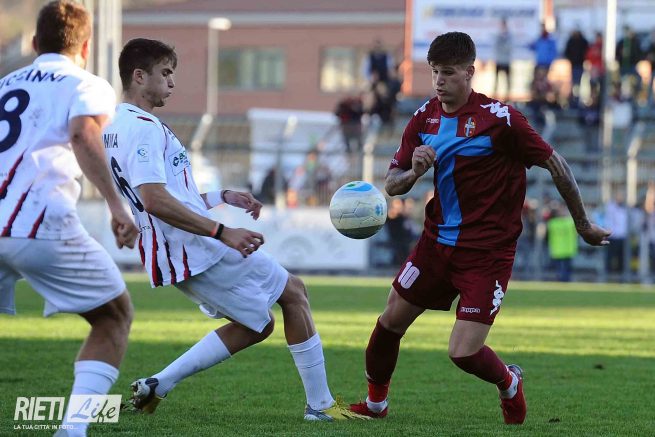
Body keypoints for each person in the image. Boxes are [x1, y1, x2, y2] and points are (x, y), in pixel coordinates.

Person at [348, 32, 610, 424]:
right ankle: (375, 405)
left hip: (487, 254)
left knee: (463, 352)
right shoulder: (424, 118)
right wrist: (415, 172)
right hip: (435, 246)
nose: (439, 81)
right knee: (389, 323)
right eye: (435, 72)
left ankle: (509, 382)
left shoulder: (500, 120)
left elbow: (557, 164)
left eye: (448, 72)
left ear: (470, 72)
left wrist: (583, 224)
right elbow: (392, 184)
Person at [104, 38, 368, 421]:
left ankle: (158, 384)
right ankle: (321, 406)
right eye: (165, 73)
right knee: (294, 292)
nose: (172, 82)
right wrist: (222, 232)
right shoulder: (144, 128)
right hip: (193, 247)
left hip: (175, 249)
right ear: (139, 76)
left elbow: (171, 195)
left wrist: (221, 196)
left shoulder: (117, 125)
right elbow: (154, 199)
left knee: (258, 324)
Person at [0, 2, 138, 436]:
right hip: (37, 222)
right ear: (86, 46)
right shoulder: (87, 84)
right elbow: (83, 133)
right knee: (113, 316)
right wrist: (117, 206)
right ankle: (72, 430)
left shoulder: (4, 85)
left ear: (34, 43)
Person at [563, 29, 589, 107]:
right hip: (572, 66)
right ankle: (573, 101)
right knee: (573, 84)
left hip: (580, 65)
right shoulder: (571, 41)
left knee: (578, 84)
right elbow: (567, 52)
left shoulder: (583, 41)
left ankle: (577, 101)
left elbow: (587, 52)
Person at [493, 18, 512, 100]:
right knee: (496, 79)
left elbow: (509, 47)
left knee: (507, 79)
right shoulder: (498, 35)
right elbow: (496, 47)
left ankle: (508, 96)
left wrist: (503, 45)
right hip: (499, 60)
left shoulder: (509, 35)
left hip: (506, 60)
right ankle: (495, 95)